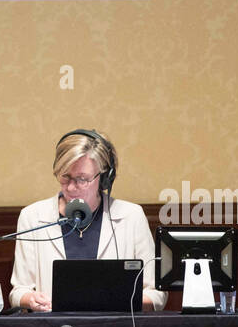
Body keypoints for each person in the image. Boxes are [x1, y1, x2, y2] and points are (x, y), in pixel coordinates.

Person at [11, 129, 167, 312]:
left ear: (104, 179)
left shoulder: (131, 216)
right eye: (65, 176)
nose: (70, 187)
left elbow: (157, 294)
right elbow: (18, 291)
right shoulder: (32, 216)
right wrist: (30, 299)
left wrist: (117, 300)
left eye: (82, 179)